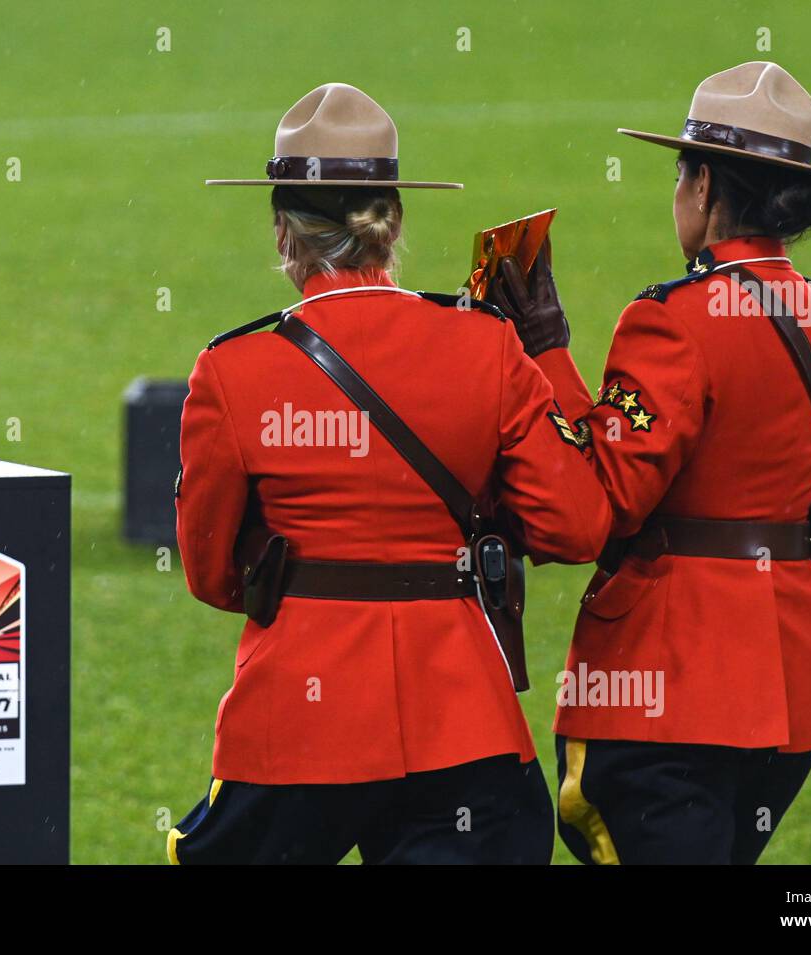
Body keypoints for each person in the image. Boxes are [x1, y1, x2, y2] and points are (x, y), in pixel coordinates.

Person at [169, 82, 612, 864]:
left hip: (297, 730)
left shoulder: (232, 370)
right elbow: (576, 526)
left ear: (282, 231)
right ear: (394, 220)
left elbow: (211, 574)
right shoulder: (487, 345)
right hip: (465, 726)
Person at [485, 61, 811, 864]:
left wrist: (545, 351)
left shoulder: (674, 320)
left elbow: (604, 503)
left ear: (701, 188)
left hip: (673, 689)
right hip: (792, 686)